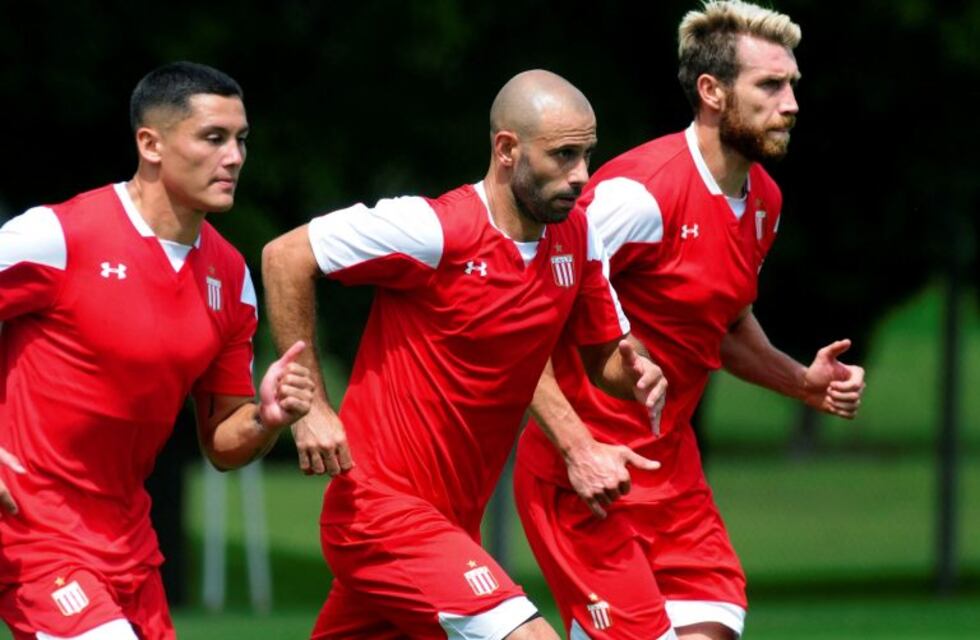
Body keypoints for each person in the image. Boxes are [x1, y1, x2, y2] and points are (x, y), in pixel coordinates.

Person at [261, 69, 668, 640]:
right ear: (507, 149)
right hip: (379, 513)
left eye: (587, 155)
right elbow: (285, 256)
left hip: (450, 525)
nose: (582, 176)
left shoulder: (578, 238)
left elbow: (606, 361)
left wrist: (640, 373)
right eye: (564, 155)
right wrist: (311, 408)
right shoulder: (434, 230)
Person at [513, 3, 868, 639]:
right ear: (712, 91)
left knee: (714, 625)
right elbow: (524, 317)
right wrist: (576, 447)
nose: (790, 103)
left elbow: (725, 325)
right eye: (769, 85)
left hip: (672, 478)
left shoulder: (764, 200)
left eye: (792, 85)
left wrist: (802, 382)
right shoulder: (639, 195)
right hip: (588, 478)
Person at [0, 61, 315, 640]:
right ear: (151, 143)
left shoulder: (229, 276)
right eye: (213, 138)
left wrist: (268, 417)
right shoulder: (58, 237)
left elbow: (221, 443)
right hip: (31, 531)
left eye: (241, 139)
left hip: (129, 547)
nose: (235, 157)